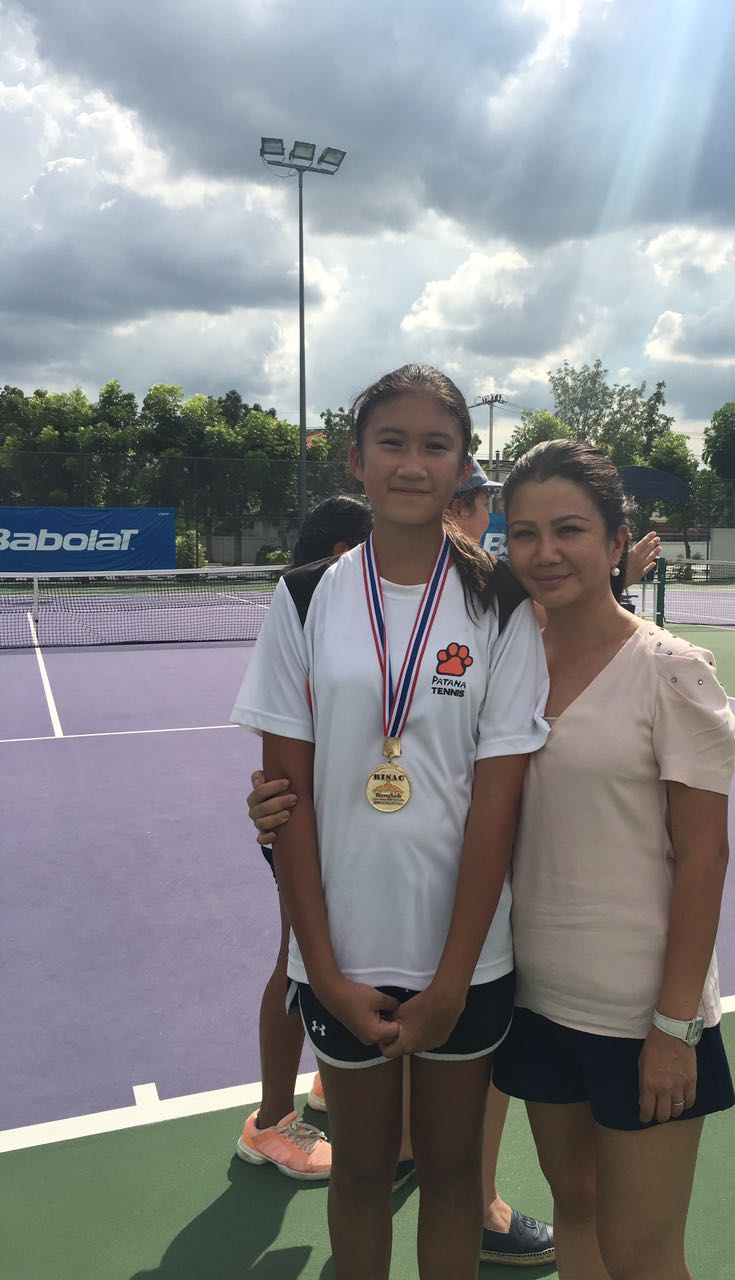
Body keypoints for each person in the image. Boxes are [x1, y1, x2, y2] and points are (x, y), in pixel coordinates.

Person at [231, 364, 549, 1280]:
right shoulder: (302, 598)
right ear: (357, 459)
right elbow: (285, 802)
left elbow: (498, 804)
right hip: (343, 955)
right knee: (363, 1174)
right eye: (392, 443)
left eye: (435, 445)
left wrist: (453, 980)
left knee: (449, 1175)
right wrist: (323, 973)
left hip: (466, 960)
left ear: (463, 466)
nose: (413, 464)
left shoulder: (500, 603)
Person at [493, 440, 735, 1279]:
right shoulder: (509, 662)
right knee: (576, 1208)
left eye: (568, 530)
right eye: (525, 533)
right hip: (537, 999)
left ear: (616, 541)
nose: (545, 552)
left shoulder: (672, 671)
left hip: (642, 1018)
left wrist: (673, 1028)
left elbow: (704, 859)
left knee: (642, 1255)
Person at [235, 496, 372, 1182]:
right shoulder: (308, 611)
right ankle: (268, 1122)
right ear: (343, 552)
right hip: (303, 826)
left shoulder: (365, 619)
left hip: (352, 827)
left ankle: (326, 1076)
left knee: (342, 956)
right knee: (299, 962)